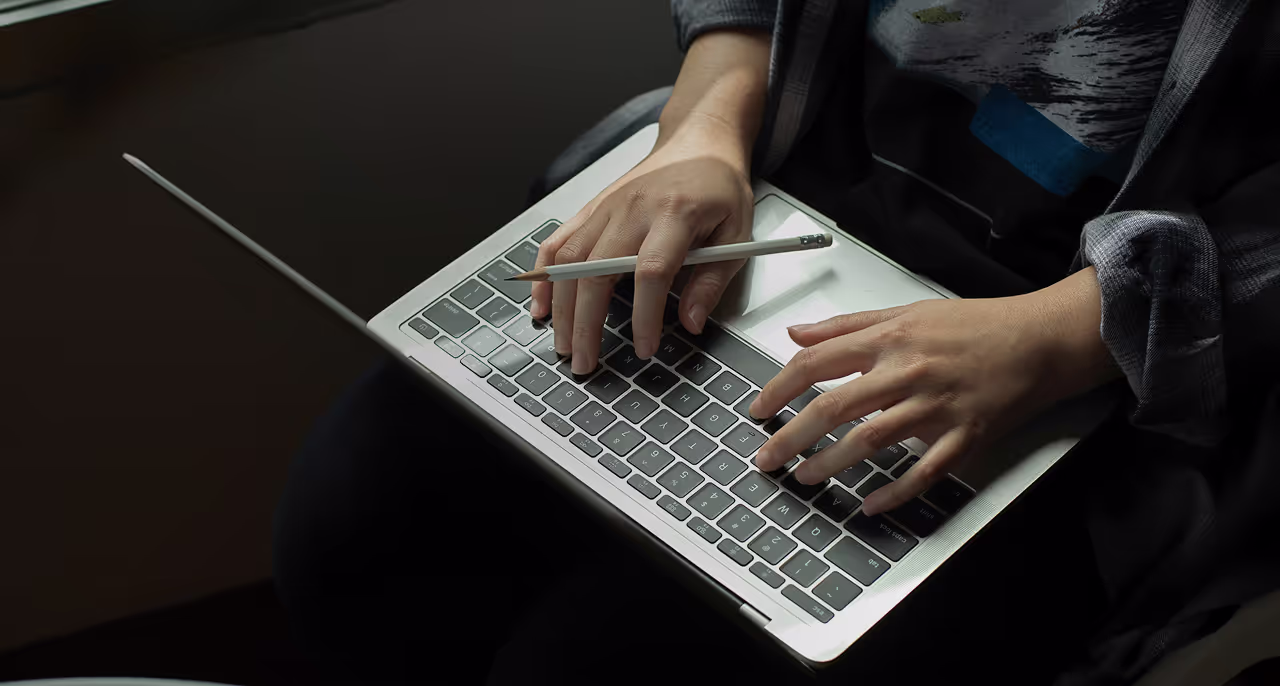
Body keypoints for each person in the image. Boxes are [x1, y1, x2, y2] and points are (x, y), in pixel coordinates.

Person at [275, 1, 1280, 684]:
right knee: (355, 524)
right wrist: (701, 129)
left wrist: (1069, 330)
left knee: (590, 663)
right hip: (783, 203)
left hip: (1108, 357)